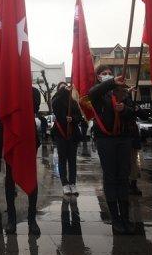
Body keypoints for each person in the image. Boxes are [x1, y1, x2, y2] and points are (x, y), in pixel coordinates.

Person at [86, 66, 137, 235]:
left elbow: (132, 112)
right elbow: (92, 93)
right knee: (110, 177)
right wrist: (110, 84)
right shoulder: (99, 93)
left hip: (123, 138)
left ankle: (125, 216)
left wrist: (124, 110)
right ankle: (115, 218)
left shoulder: (123, 92)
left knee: (123, 176)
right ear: (98, 77)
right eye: (104, 73)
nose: (107, 75)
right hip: (105, 140)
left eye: (109, 73)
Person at [3, 87, 42, 235]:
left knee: (31, 175)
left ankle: (32, 219)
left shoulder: (33, 91)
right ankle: (11, 219)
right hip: (11, 134)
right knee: (9, 176)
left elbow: (34, 107)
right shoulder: (8, 89)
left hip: (28, 135)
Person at [51, 82, 83, 196]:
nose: (65, 89)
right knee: (62, 159)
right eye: (61, 87)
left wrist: (72, 119)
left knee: (72, 160)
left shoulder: (73, 102)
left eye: (66, 87)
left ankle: (73, 183)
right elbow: (55, 107)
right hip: (61, 133)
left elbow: (79, 116)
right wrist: (62, 90)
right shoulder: (56, 100)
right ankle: (64, 183)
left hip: (72, 134)